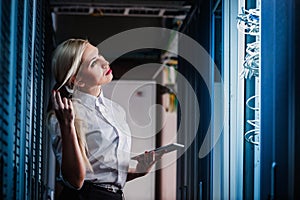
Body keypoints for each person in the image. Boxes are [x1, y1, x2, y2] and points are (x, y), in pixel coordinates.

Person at [47, 39, 163, 200]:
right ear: (77, 80)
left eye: (99, 55)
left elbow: (101, 174)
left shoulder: (115, 110)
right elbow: (75, 181)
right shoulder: (65, 115)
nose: (105, 62)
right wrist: (67, 126)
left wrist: (137, 172)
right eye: (94, 62)